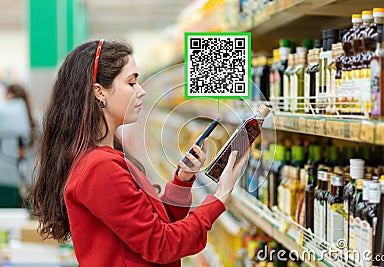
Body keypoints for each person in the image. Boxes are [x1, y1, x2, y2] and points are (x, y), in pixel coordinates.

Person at [30, 39, 248, 266]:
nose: (141, 91)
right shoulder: (99, 166)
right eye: (132, 83)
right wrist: (219, 198)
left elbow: (152, 225)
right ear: (99, 92)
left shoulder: (105, 155)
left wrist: (182, 182)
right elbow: (161, 244)